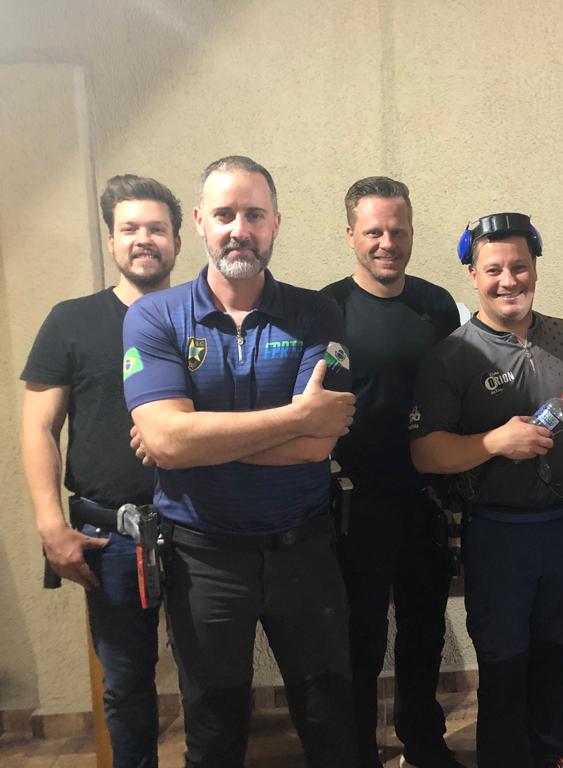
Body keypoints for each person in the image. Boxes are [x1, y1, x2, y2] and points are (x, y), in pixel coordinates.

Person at [122, 155, 358, 768]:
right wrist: (295, 417)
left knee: (331, 722)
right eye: (225, 214)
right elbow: (168, 442)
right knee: (214, 731)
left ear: (275, 223)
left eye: (254, 215)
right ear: (200, 222)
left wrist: (194, 439)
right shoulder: (154, 315)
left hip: (304, 552)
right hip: (203, 559)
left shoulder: (316, 312)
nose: (239, 230)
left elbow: (318, 444)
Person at [409, 213, 563, 768]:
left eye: (519, 266)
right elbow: (425, 452)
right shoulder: (451, 355)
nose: (508, 280)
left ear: (535, 267)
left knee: (559, 655)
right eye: (493, 270)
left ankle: (551, 755)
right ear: (473, 275)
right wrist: (493, 442)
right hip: (498, 535)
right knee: (505, 663)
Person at [21, 174, 181, 768]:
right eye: (130, 228)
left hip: (199, 526)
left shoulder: (202, 318)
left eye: (157, 229)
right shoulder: (71, 320)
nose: (144, 240)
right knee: (126, 685)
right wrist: (50, 525)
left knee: (211, 678)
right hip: (110, 536)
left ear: (177, 240)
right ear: (111, 240)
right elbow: (38, 427)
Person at [320, 176, 463, 768]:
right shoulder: (326, 310)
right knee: (361, 637)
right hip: (357, 502)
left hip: (427, 497)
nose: (387, 243)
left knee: (425, 630)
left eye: (397, 231)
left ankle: (423, 740)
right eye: (374, 231)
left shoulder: (437, 305)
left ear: (411, 233)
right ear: (351, 234)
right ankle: (358, 750)